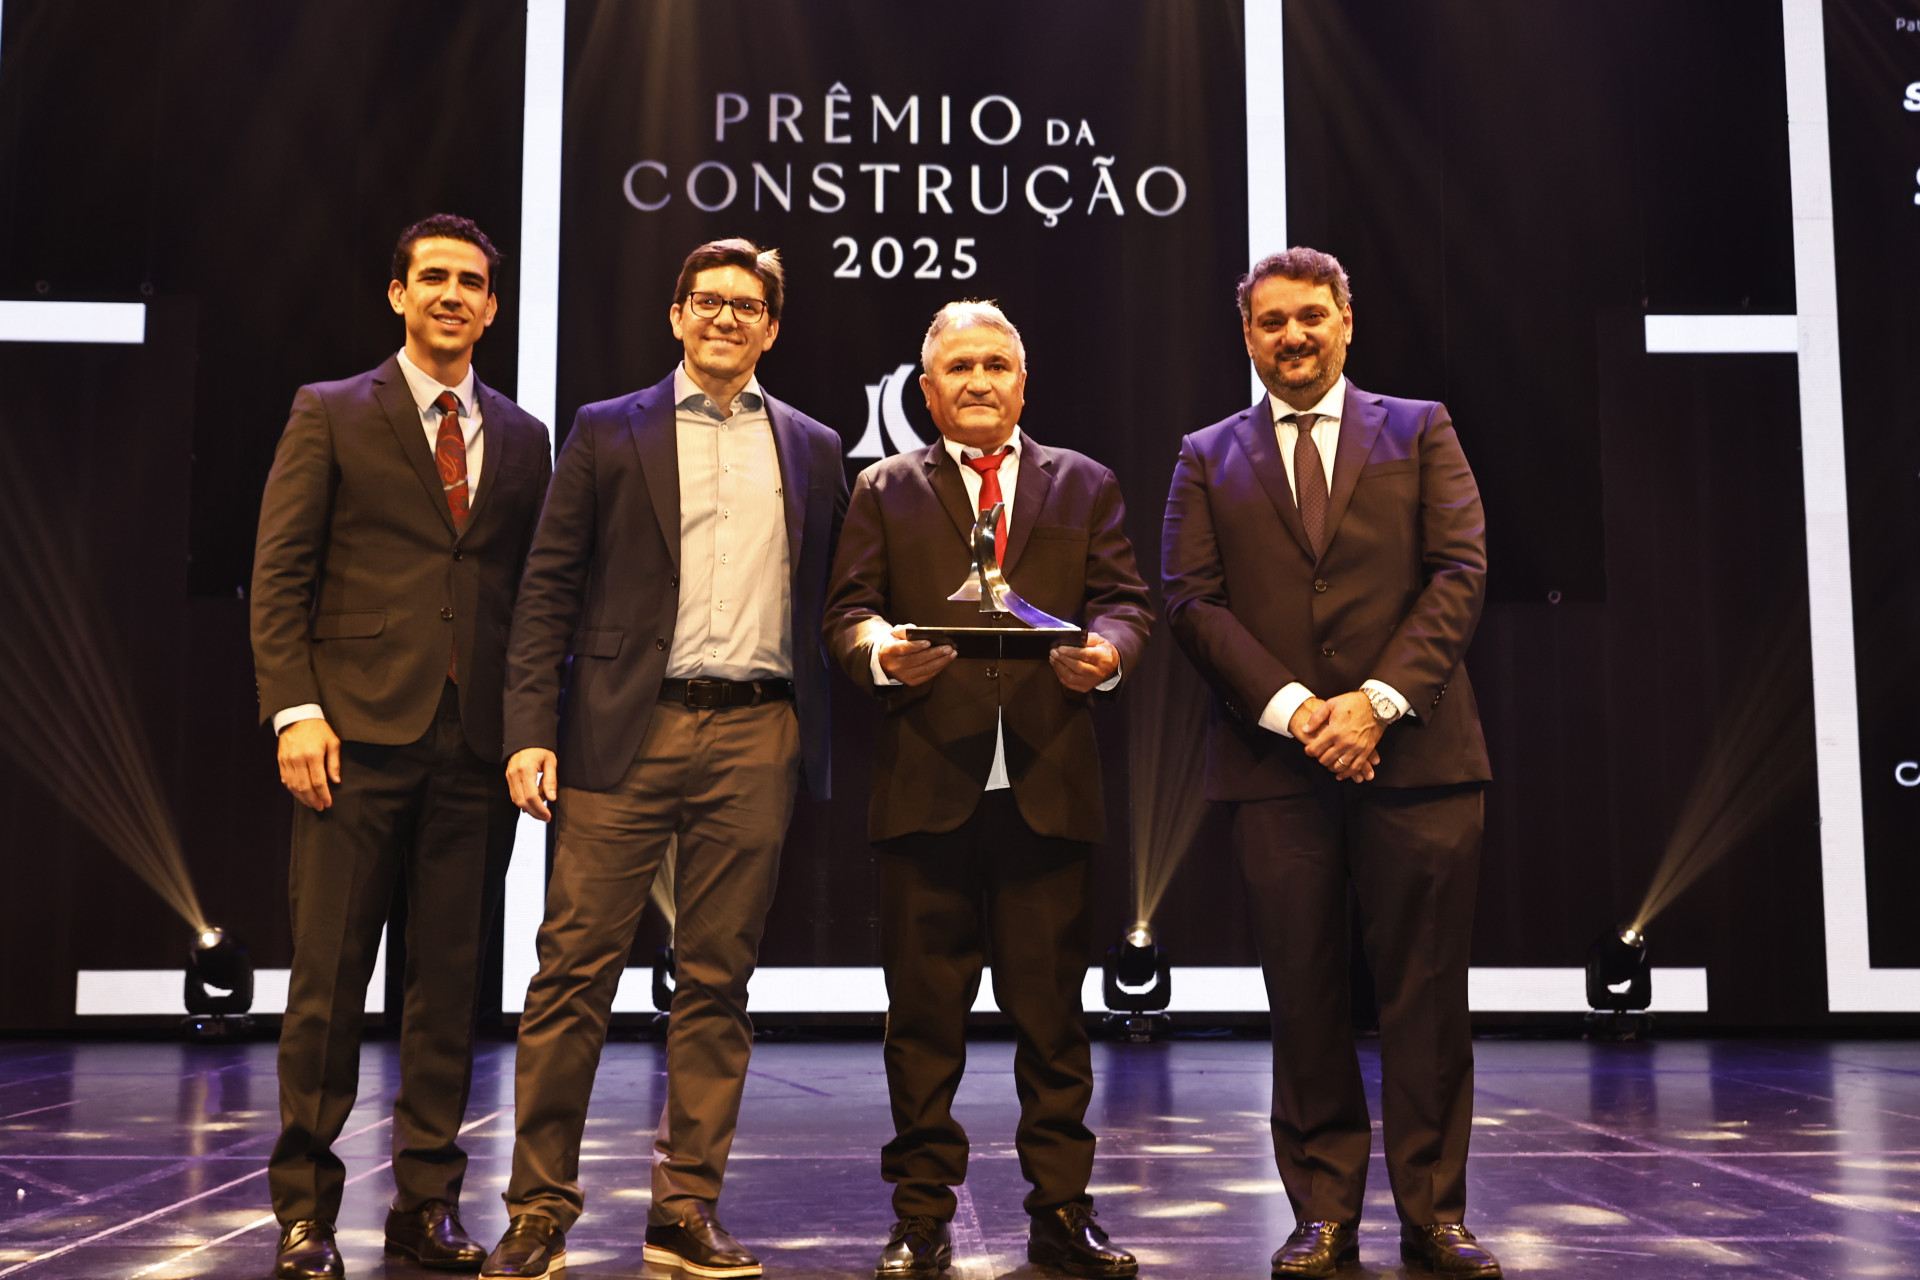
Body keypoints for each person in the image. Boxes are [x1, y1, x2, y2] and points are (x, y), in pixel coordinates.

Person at [481, 239, 845, 1280]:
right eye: (708, 301)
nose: (726, 318)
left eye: (747, 305)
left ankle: (684, 1207)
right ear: (676, 314)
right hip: (618, 731)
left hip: (755, 733)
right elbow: (547, 586)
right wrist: (529, 727)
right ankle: (539, 1208)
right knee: (571, 976)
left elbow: (835, 594)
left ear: (771, 327)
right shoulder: (607, 430)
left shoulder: (813, 444)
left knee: (718, 979)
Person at [1161, 248, 1500, 1278]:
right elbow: (1191, 602)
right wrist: (1303, 710)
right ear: (1248, 335)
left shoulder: (1420, 426)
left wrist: (1376, 702)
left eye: (1311, 316)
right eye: (1271, 322)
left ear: (1347, 321)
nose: (1293, 337)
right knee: (1302, 995)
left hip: (1420, 757)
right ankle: (1325, 1215)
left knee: (1426, 995)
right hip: (1278, 766)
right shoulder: (1206, 454)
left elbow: (1460, 569)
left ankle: (1435, 1215)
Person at [250, 214, 553, 1279]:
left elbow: (524, 603)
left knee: (447, 992)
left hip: (471, 751)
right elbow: (280, 575)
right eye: (434, 279)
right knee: (327, 987)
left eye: (471, 283)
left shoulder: (521, 436)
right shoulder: (331, 411)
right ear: (397, 293)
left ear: (492, 307)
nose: (453, 296)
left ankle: (427, 1206)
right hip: (353, 742)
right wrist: (295, 710)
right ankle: (305, 1212)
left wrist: (527, 732)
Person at [824, 301, 1153, 1280]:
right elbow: (847, 609)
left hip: (1048, 790)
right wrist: (881, 653)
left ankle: (1063, 1210)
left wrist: (1111, 653)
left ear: (1023, 381)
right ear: (926, 392)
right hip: (926, 790)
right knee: (921, 1023)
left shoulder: (1085, 482)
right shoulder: (883, 486)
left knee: (1054, 1020)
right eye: (958, 366)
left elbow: (1127, 602)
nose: (977, 380)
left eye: (996, 364)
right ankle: (921, 1215)